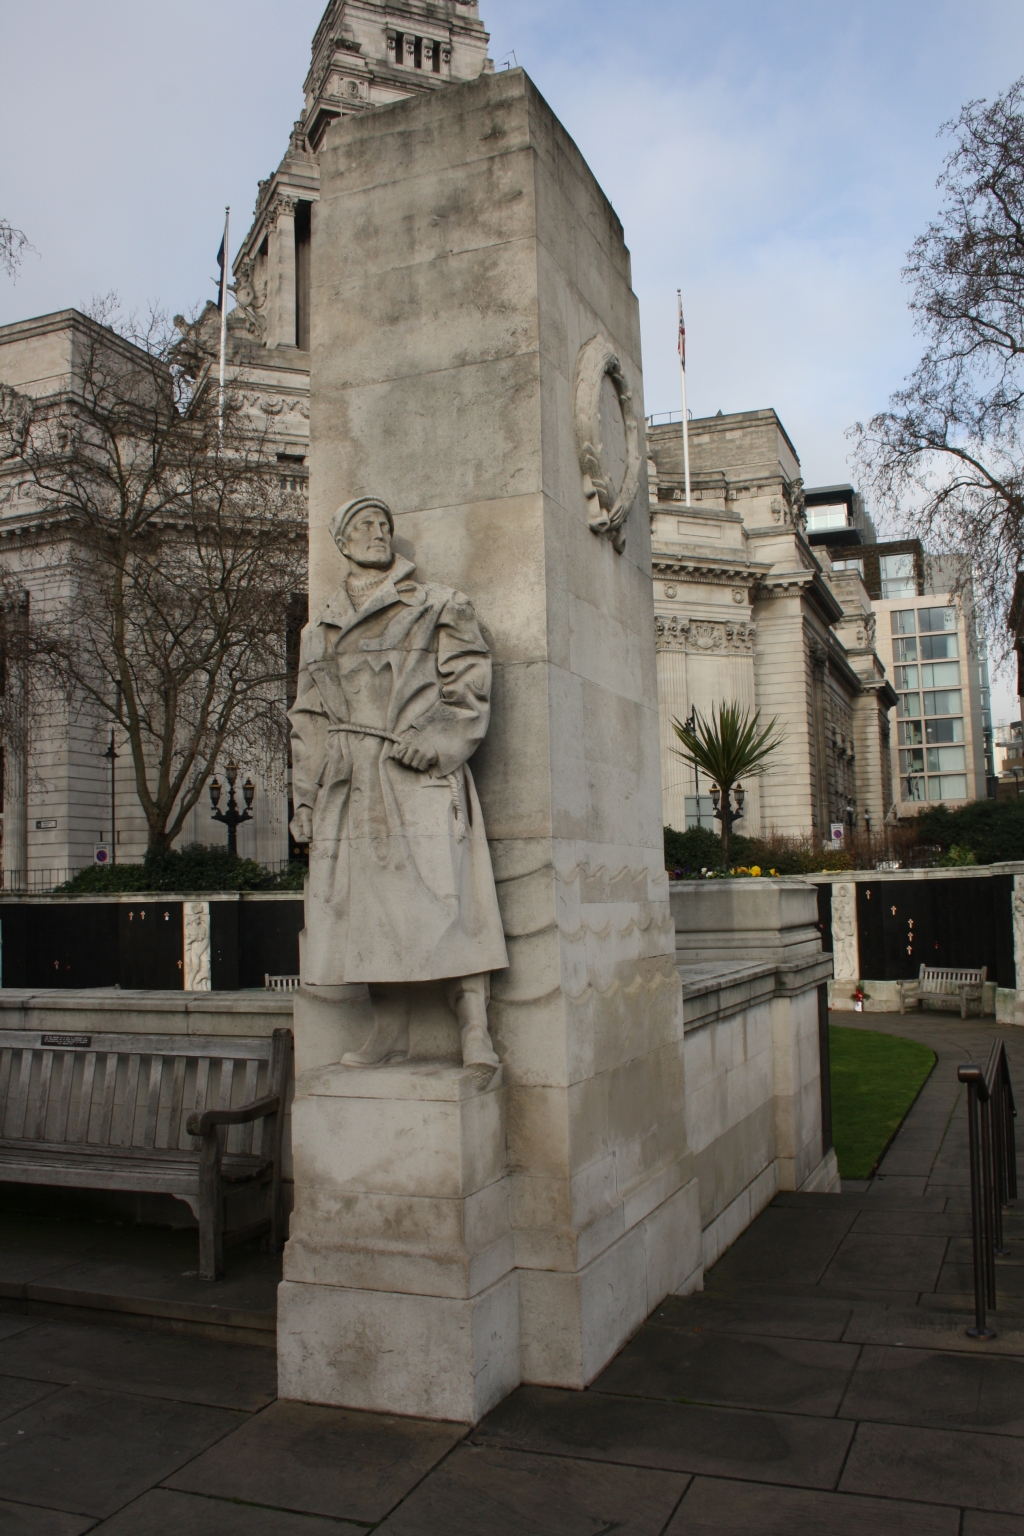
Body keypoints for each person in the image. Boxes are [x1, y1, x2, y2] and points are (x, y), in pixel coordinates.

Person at [288, 495, 507, 1082]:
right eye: (362, 525)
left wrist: (435, 739)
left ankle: (475, 1028)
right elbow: (308, 718)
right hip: (348, 776)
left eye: (383, 524)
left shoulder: (438, 604)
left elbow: (469, 684)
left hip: (415, 772)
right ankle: (389, 1027)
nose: (376, 533)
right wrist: (304, 797)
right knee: (364, 908)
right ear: (342, 540)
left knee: (450, 897)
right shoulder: (321, 628)